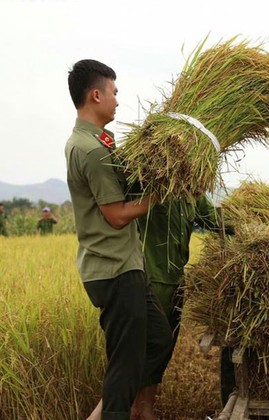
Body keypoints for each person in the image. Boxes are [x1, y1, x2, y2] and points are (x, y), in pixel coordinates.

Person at [65, 59, 171, 420]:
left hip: (126, 266)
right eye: (114, 92)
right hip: (113, 271)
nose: (117, 100)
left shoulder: (99, 141)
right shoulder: (92, 150)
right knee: (125, 368)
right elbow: (116, 215)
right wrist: (159, 195)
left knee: (158, 341)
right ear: (96, 94)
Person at [134, 196, 232, 415]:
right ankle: (133, 408)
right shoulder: (150, 186)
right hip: (148, 280)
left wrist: (253, 220)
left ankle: (145, 407)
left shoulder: (191, 196)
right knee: (145, 348)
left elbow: (217, 221)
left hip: (176, 283)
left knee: (163, 351)